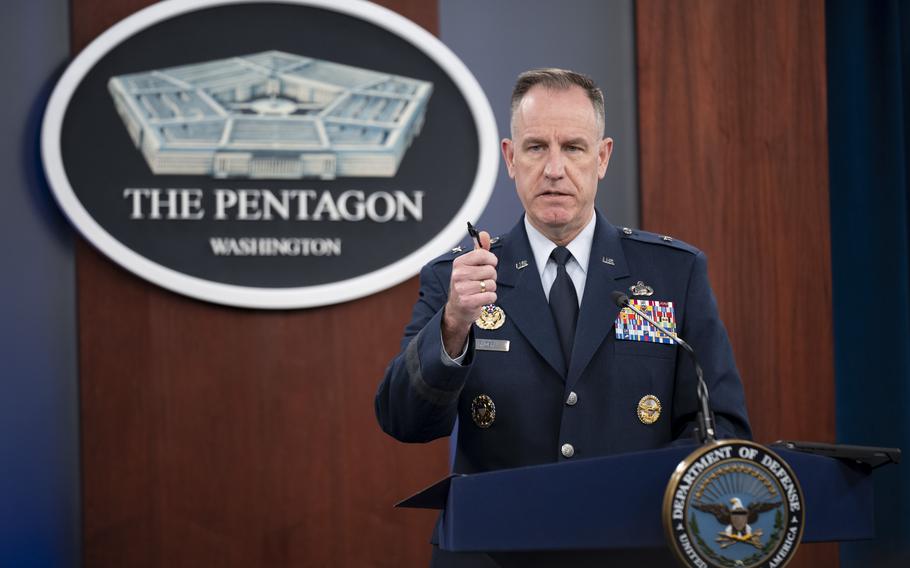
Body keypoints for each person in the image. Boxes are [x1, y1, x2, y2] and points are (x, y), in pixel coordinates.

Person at [375, 68, 751, 567]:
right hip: (495, 552)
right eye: (536, 148)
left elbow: (720, 425)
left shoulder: (672, 274)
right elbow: (402, 420)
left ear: (602, 158)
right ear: (510, 158)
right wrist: (452, 325)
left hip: (631, 549)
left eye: (573, 147)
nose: (554, 169)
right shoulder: (460, 278)